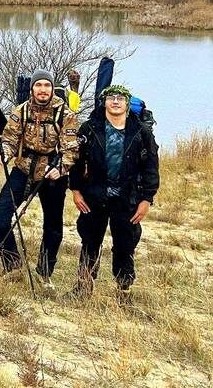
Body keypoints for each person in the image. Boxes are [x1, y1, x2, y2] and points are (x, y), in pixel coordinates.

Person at [70, 84, 160, 297]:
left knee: (125, 245)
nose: (116, 101)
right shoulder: (89, 129)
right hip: (94, 196)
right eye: (111, 97)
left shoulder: (141, 132)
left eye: (120, 98)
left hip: (128, 198)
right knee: (90, 242)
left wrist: (147, 199)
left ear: (127, 103)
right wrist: (75, 190)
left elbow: (151, 167)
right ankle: (83, 287)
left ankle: (124, 290)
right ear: (104, 102)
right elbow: (76, 161)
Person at [0, 69, 79, 285]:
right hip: (23, 169)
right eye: (38, 85)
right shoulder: (21, 111)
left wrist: (62, 167)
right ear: (32, 88)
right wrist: (3, 154)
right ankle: (13, 265)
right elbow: (10, 138)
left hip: (52, 173)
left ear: (52, 88)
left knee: (52, 226)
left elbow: (71, 148)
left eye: (46, 86)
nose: (43, 90)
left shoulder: (65, 114)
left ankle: (44, 272)